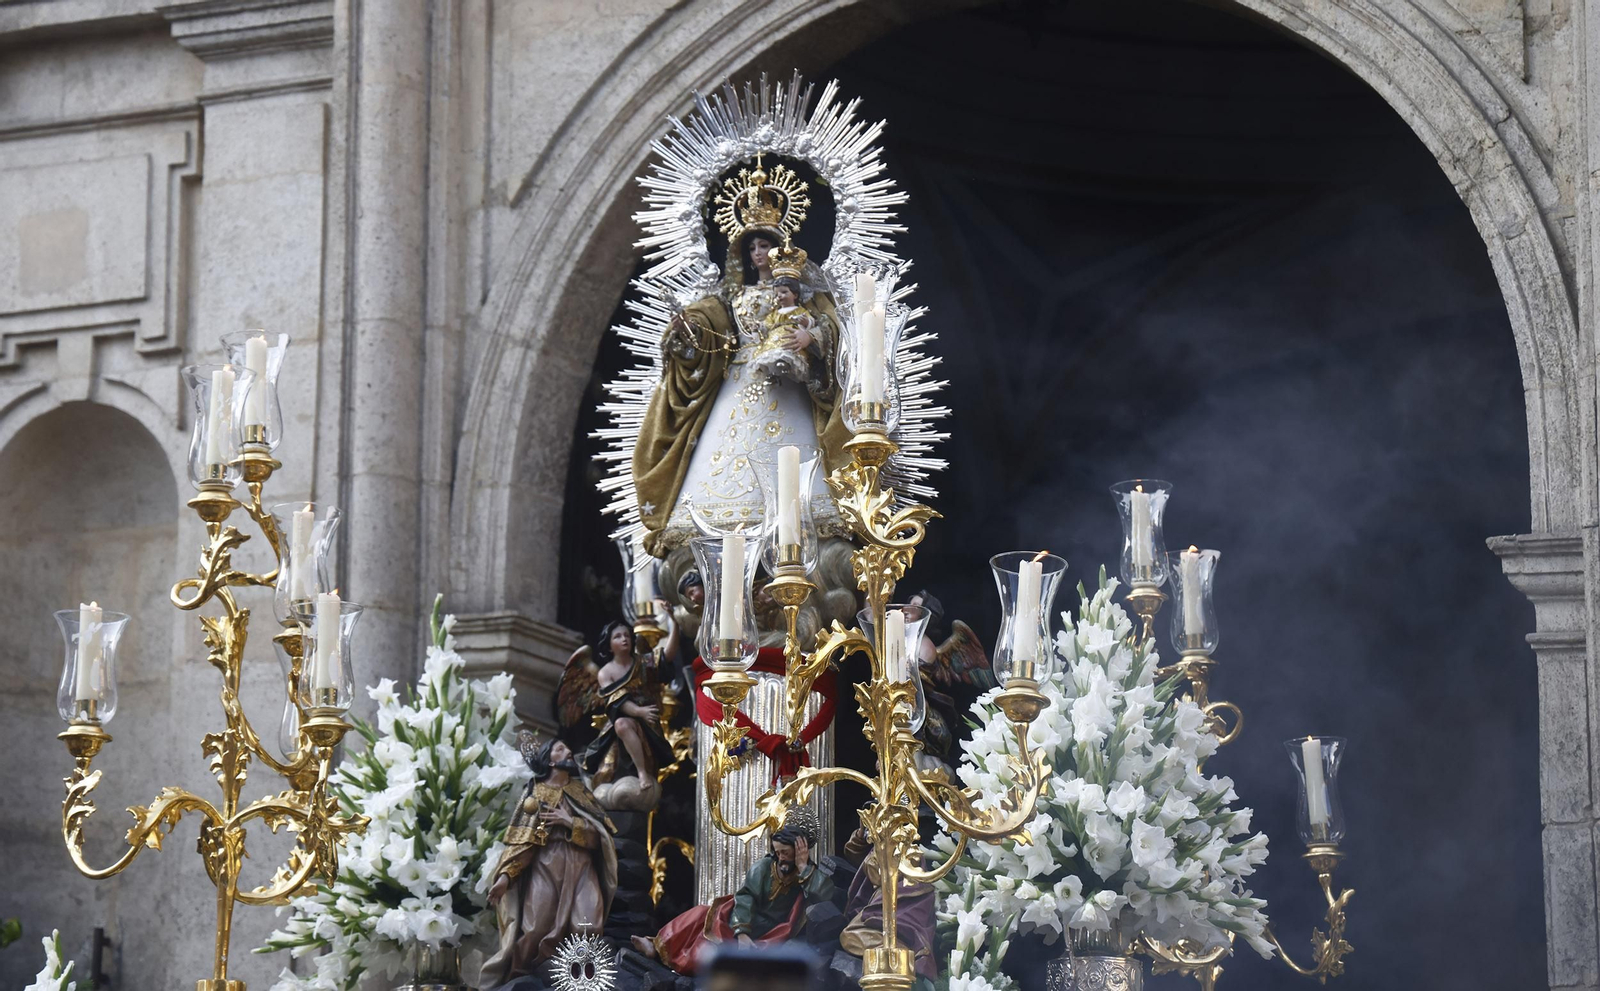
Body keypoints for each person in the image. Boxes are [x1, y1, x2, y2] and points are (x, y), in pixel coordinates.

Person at [631, 161, 850, 553]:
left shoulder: (803, 296)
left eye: (764, 245)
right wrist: (689, 331)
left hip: (787, 385)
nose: (758, 253)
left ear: (778, 247)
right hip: (739, 383)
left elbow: (827, 326)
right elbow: (711, 331)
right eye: (752, 247)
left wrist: (810, 337)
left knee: (796, 478)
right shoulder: (731, 298)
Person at [481, 736, 617, 984]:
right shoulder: (535, 794)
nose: (568, 751)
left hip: (582, 867)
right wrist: (505, 878)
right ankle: (520, 981)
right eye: (560, 749)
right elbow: (522, 842)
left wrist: (571, 822)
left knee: (587, 926)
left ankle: (581, 982)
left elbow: (601, 839)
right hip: (546, 865)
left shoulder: (580, 792)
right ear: (549, 760)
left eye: (567, 747)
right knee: (535, 929)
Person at [631, 808, 833, 973]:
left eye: (785, 852)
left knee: (707, 954)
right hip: (739, 920)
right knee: (700, 914)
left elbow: (825, 894)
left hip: (771, 934)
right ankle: (656, 945)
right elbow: (746, 898)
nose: (780, 857)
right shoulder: (764, 868)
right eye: (777, 852)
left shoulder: (807, 874)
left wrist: (803, 867)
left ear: (799, 851)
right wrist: (742, 933)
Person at [578, 620, 677, 811]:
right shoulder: (605, 672)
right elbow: (617, 700)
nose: (624, 639)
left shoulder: (643, 662)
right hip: (623, 719)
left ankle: (643, 773)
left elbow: (667, 655)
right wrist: (639, 712)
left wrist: (674, 623)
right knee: (618, 734)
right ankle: (637, 775)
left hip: (647, 722)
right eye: (617, 637)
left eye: (626, 635)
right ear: (609, 645)